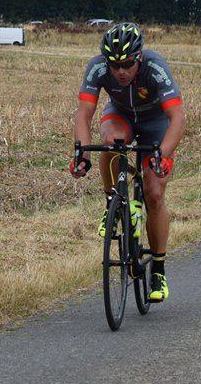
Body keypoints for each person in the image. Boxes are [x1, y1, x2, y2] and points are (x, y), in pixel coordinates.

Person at [68, 22, 187, 302]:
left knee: (155, 192)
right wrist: (83, 153)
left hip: (156, 122)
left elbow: (178, 118)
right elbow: (83, 114)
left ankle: (158, 268)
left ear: (139, 58)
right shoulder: (97, 67)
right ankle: (114, 202)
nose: (120, 71)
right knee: (110, 140)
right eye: (114, 64)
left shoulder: (155, 67)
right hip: (120, 115)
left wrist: (164, 155)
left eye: (127, 64)